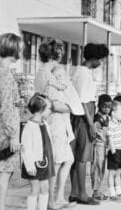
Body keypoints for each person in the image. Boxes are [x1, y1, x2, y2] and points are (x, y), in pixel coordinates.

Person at [35, 38, 77, 209]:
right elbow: (52, 103)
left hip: (59, 121)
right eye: (60, 52)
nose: (62, 56)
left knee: (68, 159)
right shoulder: (46, 74)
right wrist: (70, 107)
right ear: (54, 54)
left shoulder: (45, 72)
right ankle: (51, 201)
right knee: (58, 161)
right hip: (54, 121)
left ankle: (57, 198)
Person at [70, 43, 109, 205]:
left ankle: (74, 192)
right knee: (82, 157)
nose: (101, 63)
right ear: (94, 59)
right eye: (101, 60)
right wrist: (91, 124)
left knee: (77, 157)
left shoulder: (78, 71)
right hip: (84, 118)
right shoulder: (85, 74)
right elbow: (84, 102)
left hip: (78, 116)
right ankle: (82, 194)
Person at [0, 33, 23, 210]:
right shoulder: (6, 76)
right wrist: (14, 135)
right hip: (4, 136)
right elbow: (7, 108)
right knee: (3, 175)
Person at [21, 94, 55, 210]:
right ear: (41, 110)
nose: (50, 111)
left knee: (45, 187)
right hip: (34, 164)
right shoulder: (29, 127)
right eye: (49, 109)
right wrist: (29, 165)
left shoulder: (44, 123)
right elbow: (26, 149)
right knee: (35, 189)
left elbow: (48, 141)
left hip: (45, 161)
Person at [106, 101, 121, 201]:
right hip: (115, 152)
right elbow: (110, 138)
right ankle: (112, 194)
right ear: (113, 113)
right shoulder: (111, 124)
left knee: (119, 172)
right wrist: (114, 152)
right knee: (112, 173)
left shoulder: (119, 123)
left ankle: (118, 191)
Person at [91, 94, 112, 201]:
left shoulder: (108, 117)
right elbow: (93, 132)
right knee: (97, 168)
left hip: (105, 146)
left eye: (109, 107)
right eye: (104, 106)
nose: (107, 109)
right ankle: (95, 192)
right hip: (98, 145)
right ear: (99, 105)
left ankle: (97, 190)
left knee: (102, 168)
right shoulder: (97, 118)